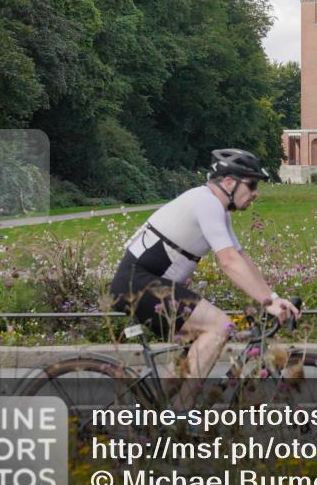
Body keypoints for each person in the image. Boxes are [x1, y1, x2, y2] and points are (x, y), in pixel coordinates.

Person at [109, 148, 300, 405]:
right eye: (252, 184)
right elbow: (229, 262)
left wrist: (272, 298)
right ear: (229, 182)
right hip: (138, 282)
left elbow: (242, 259)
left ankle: (157, 418)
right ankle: (180, 420)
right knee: (218, 326)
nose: (256, 193)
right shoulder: (206, 202)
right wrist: (270, 302)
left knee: (196, 351)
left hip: (146, 284)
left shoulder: (217, 207)